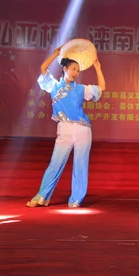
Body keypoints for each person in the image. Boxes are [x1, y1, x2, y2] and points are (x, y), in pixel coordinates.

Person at [27, 46, 105, 208]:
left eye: (77, 70)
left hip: (83, 129)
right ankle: (42, 196)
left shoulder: (81, 88)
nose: (75, 72)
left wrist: (97, 68)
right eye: (73, 69)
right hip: (64, 130)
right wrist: (54, 54)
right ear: (64, 69)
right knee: (55, 164)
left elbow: (101, 88)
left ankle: (76, 199)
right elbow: (43, 68)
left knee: (80, 164)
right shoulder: (53, 86)